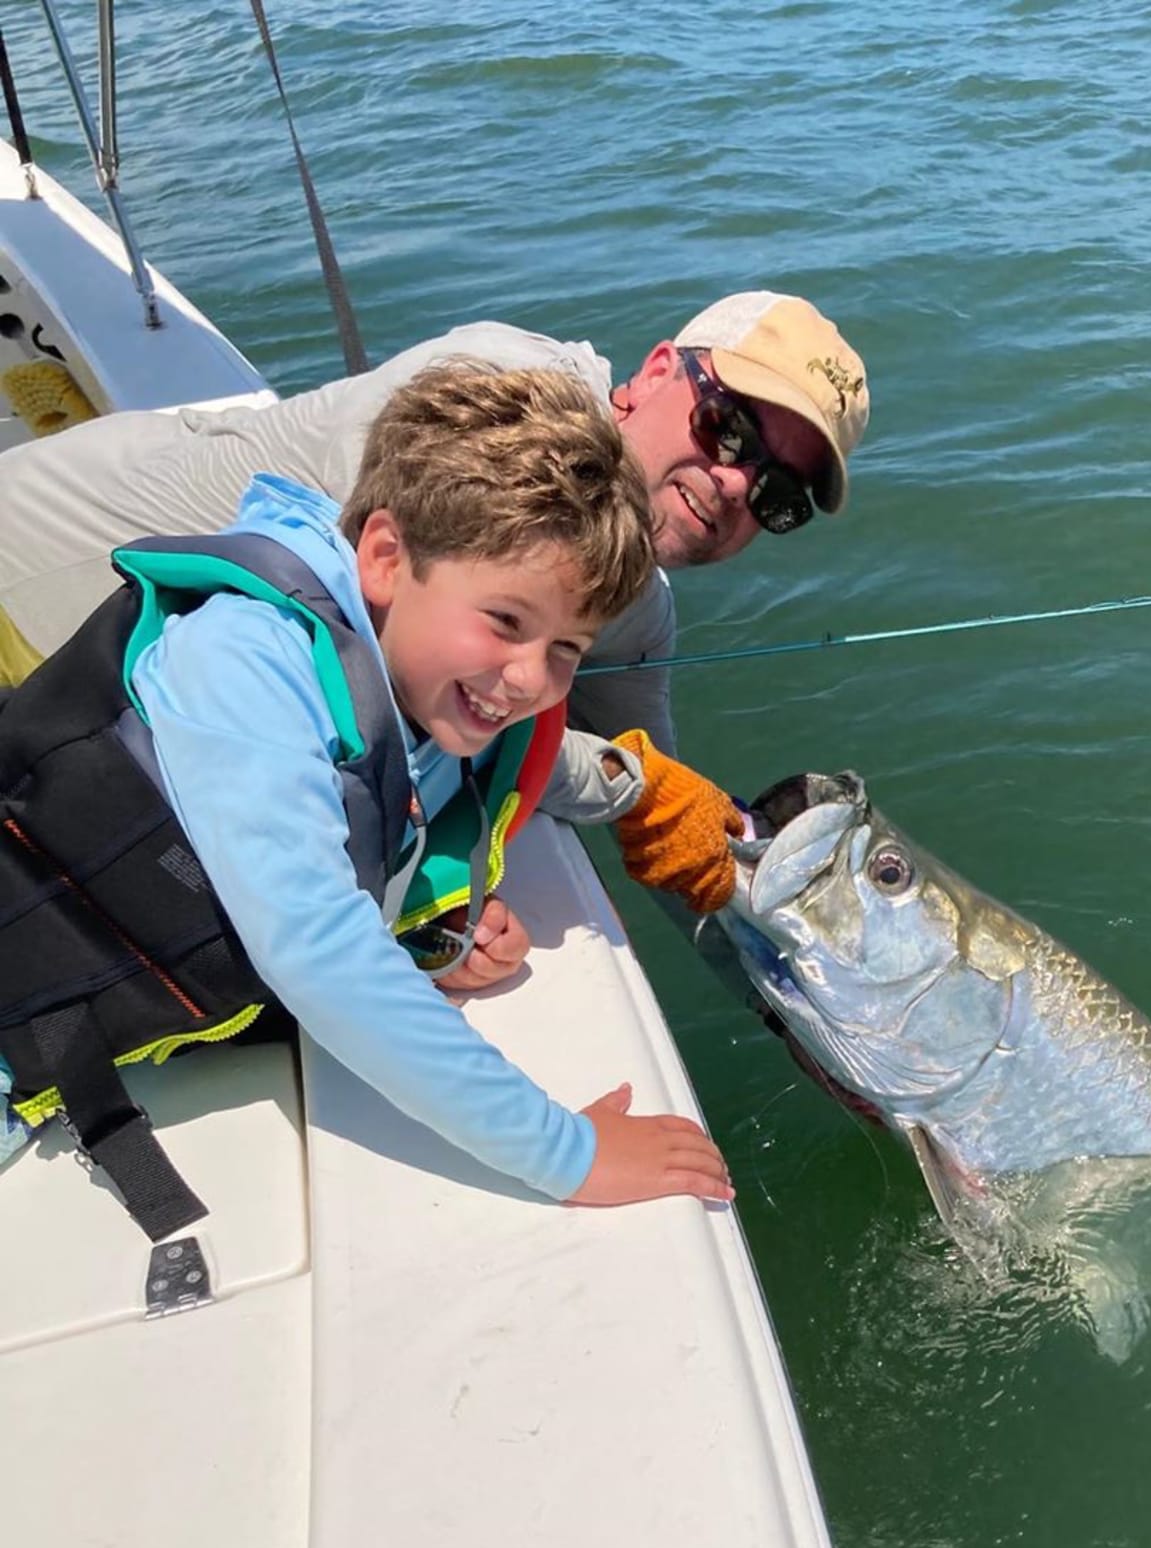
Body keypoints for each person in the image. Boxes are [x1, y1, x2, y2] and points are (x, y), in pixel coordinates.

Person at [0, 363, 733, 1232]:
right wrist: (566, 1151)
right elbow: (317, 950)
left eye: (568, 648)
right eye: (506, 621)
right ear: (385, 556)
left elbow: (336, 836)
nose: (532, 678)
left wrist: (427, 932)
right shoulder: (245, 659)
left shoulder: (403, 673)